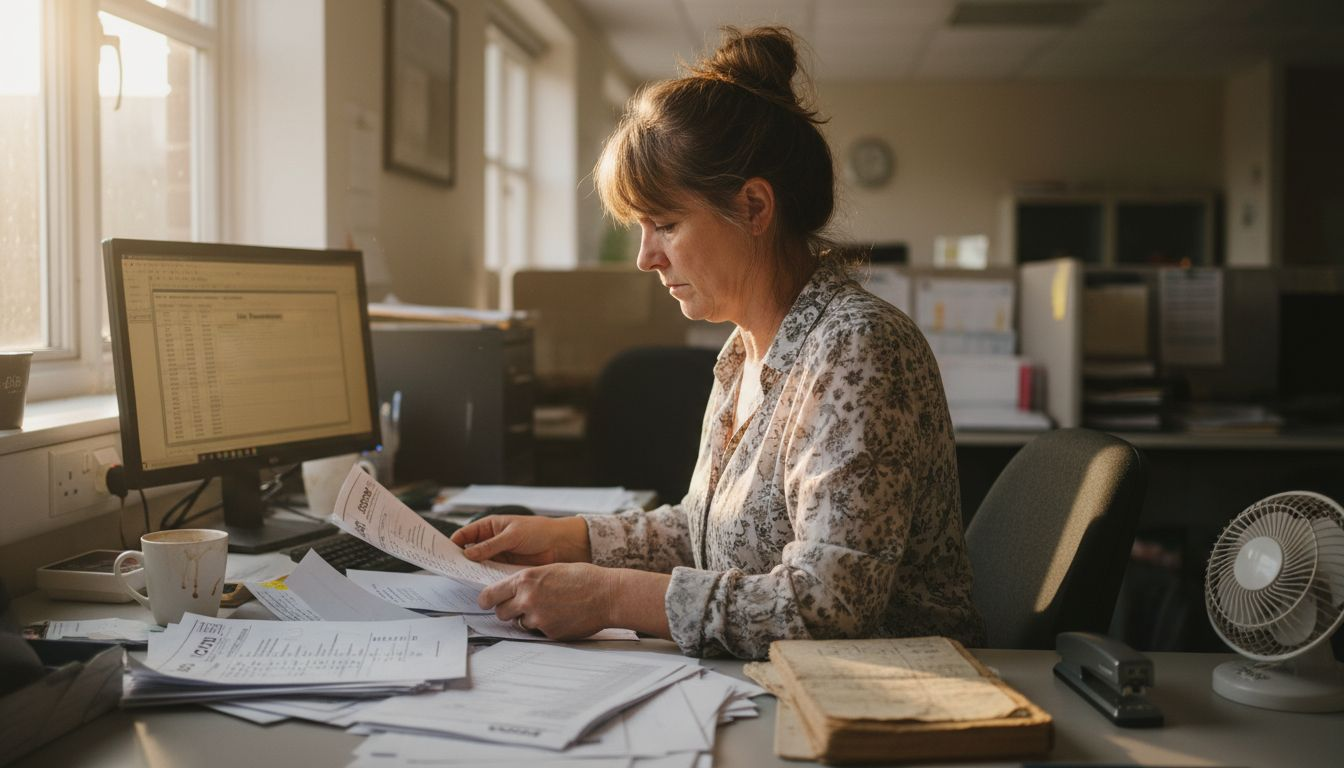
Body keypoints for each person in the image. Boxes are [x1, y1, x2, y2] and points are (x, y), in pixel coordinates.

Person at [451, 26, 985, 659]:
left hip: (883, 704)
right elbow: (712, 532)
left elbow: (827, 606)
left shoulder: (857, 349)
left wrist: (610, 598)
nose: (647, 257)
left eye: (667, 224)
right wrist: (571, 539)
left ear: (754, 208)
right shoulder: (743, 353)